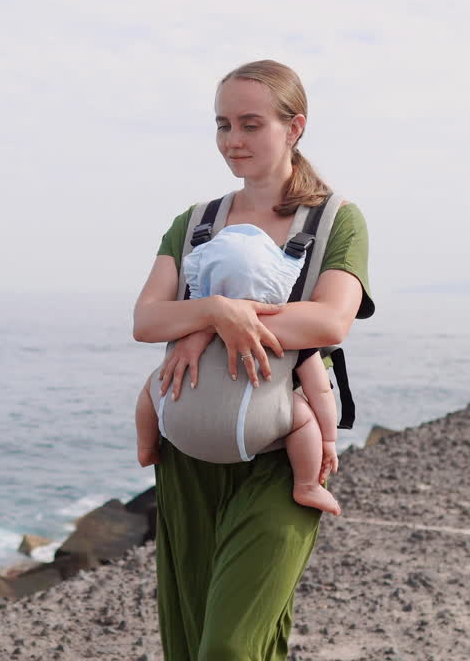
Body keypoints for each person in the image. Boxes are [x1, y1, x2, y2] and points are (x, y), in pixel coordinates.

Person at [132, 59, 373, 661]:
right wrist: (216, 310)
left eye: (250, 124)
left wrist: (212, 320)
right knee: (190, 642)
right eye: (222, 125)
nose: (232, 141)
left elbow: (329, 320)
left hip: (279, 459)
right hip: (188, 456)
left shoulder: (337, 221)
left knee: (230, 647)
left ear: (294, 128)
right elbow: (146, 321)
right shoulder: (193, 224)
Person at [133, 222, 342, 516]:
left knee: (151, 385)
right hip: (248, 433)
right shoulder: (288, 333)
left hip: (176, 430)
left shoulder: (191, 326)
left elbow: (146, 326)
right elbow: (320, 390)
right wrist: (329, 440)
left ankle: (146, 447)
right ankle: (307, 485)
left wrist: (202, 324)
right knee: (303, 415)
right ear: (280, 280)